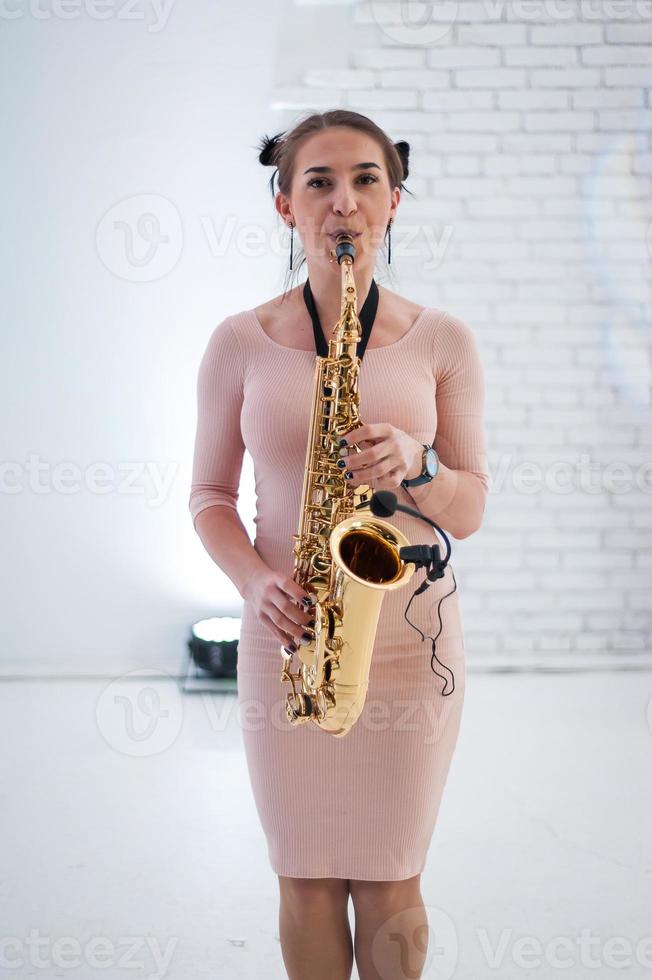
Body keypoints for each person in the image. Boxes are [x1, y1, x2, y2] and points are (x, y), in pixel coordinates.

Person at [189, 109, 489, 980]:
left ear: (394, 200)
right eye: (317, 181)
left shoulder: (444, 341)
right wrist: (252, 583)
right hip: (288, 638)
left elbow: (468, 508)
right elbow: (209, 498)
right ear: (285, 206)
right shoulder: (237, 343)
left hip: (411, 639)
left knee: (394, 882)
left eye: (365, 180)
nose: (343, 203)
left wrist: (417, 464)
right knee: (307, 883)